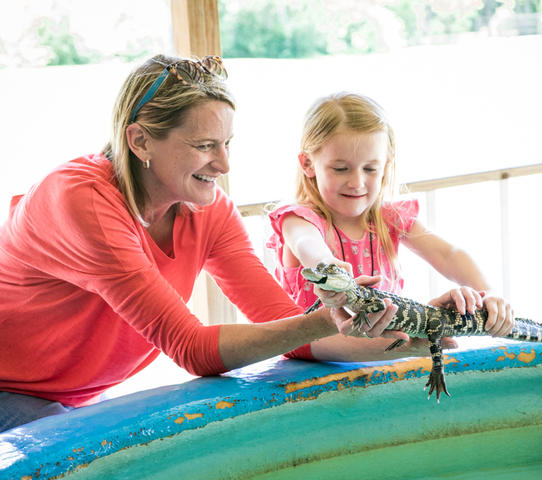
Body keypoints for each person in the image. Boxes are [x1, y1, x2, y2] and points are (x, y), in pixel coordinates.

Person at [0, 56, 401, 432]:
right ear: (140, 141)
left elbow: (285, 326)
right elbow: (191, 348)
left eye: (227, 144)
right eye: (204, 146)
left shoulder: (207, 210)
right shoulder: (82, 201)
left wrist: (412, 331)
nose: (224, 165)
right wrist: (326, 318)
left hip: (71, 395)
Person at [268, 92, 515, 360]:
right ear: (308, 164)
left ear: (386, 165)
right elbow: (306, 244)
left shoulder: (390, 217)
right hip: (314, 363)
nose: (357, 182)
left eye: (370, 169)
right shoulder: (299, 218)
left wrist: (488, 292)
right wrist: (328, 266)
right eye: (341, 168)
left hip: (384, 357)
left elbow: (448, 253)